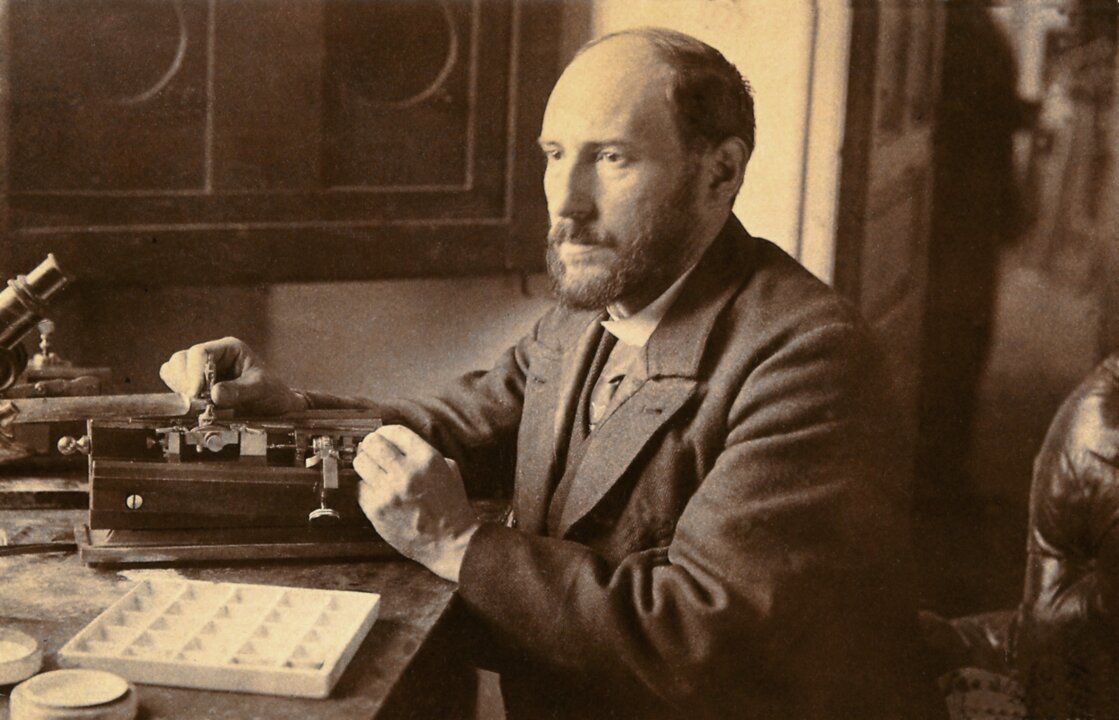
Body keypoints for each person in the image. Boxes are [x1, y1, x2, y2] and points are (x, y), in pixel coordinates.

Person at [161, 28, 943, 720]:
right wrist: (290, 409)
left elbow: (700, 639)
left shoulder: (807, 359)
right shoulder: (593, 307)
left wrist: (458, 543)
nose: (565, 203)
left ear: (720, 172)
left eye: (611, 158)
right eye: (553, 156)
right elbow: (455, 429)